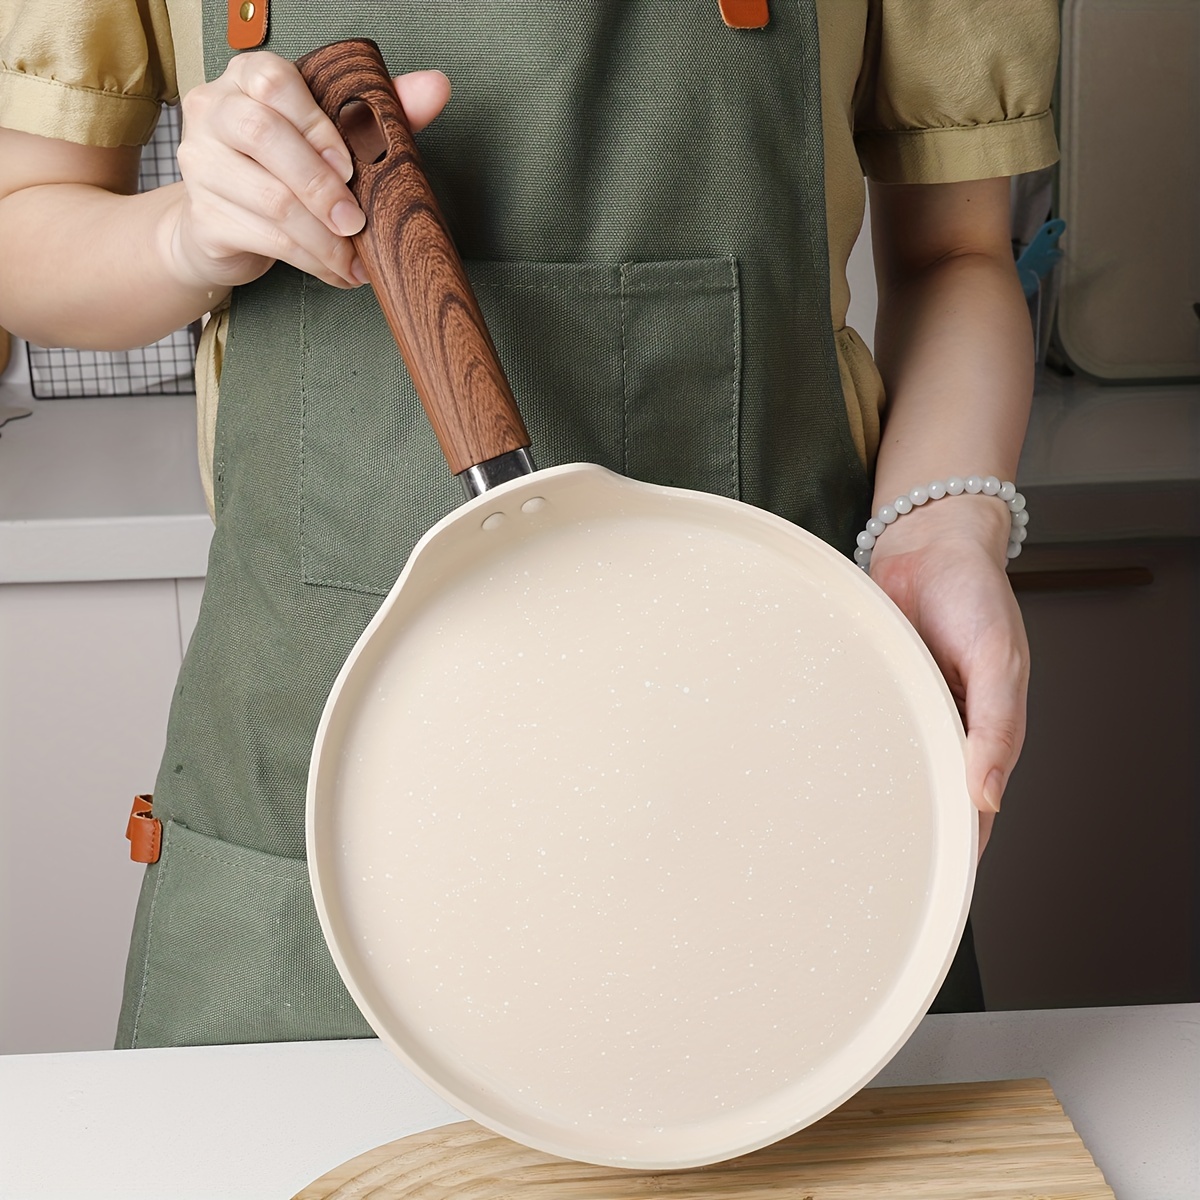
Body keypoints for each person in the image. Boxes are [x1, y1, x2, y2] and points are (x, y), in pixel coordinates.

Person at [0, 1, 1059, 1048]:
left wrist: (946, 524)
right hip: (299, 846)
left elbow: (954, 253)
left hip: (757, 790)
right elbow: (24, 220)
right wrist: (188, 233)